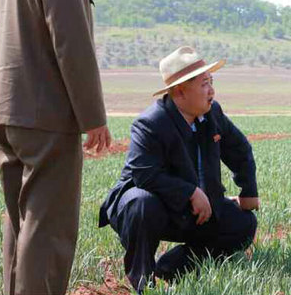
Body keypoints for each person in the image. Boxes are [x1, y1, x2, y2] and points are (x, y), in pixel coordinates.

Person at [0, 0, 111, 294]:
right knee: (49, 231)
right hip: (48, 120)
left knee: (20, 224)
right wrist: (94, 118)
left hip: (8, 114)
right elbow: (72, 50)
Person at [99, 46, 259, 293]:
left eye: (211, 82)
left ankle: (173, 266)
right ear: (180, 91)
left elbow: (240, 150)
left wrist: (248, 191)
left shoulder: (211, 113)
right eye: (204, 84)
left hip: (193, 209)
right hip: (153, 206)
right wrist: (191, 192)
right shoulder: (151, 123)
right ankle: (143, 282)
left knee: (243, 224)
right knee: (142, 203)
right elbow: (144, 174)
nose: (212, 91)